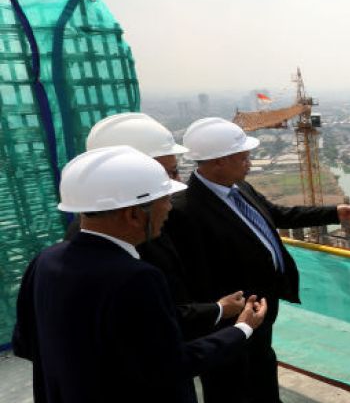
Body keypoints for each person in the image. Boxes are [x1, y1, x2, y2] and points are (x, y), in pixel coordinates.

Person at [12, 145, 268, 403]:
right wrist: (242, 330)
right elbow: (170, 367)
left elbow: (27, 342)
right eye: (164, 199)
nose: (169, 208)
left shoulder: (47, 261)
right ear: (134, 215)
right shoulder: (134, 277)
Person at [164, 117, 350, 403]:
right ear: (217, 161)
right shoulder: (185, 210)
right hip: (227, 315)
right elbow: (192, 276)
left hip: (261, 305)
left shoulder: (239, 188)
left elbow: (278, 215)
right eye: (242, 156)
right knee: (225, 382)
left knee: (261, 360)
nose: (249, 161)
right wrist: (221, 313)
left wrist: (332, 212)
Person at [83, 112, 247, 339]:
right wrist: (223, 314)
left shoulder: (56, 257)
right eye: (169, 173)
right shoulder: (135, 260)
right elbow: (160, 328)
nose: (177, 181)